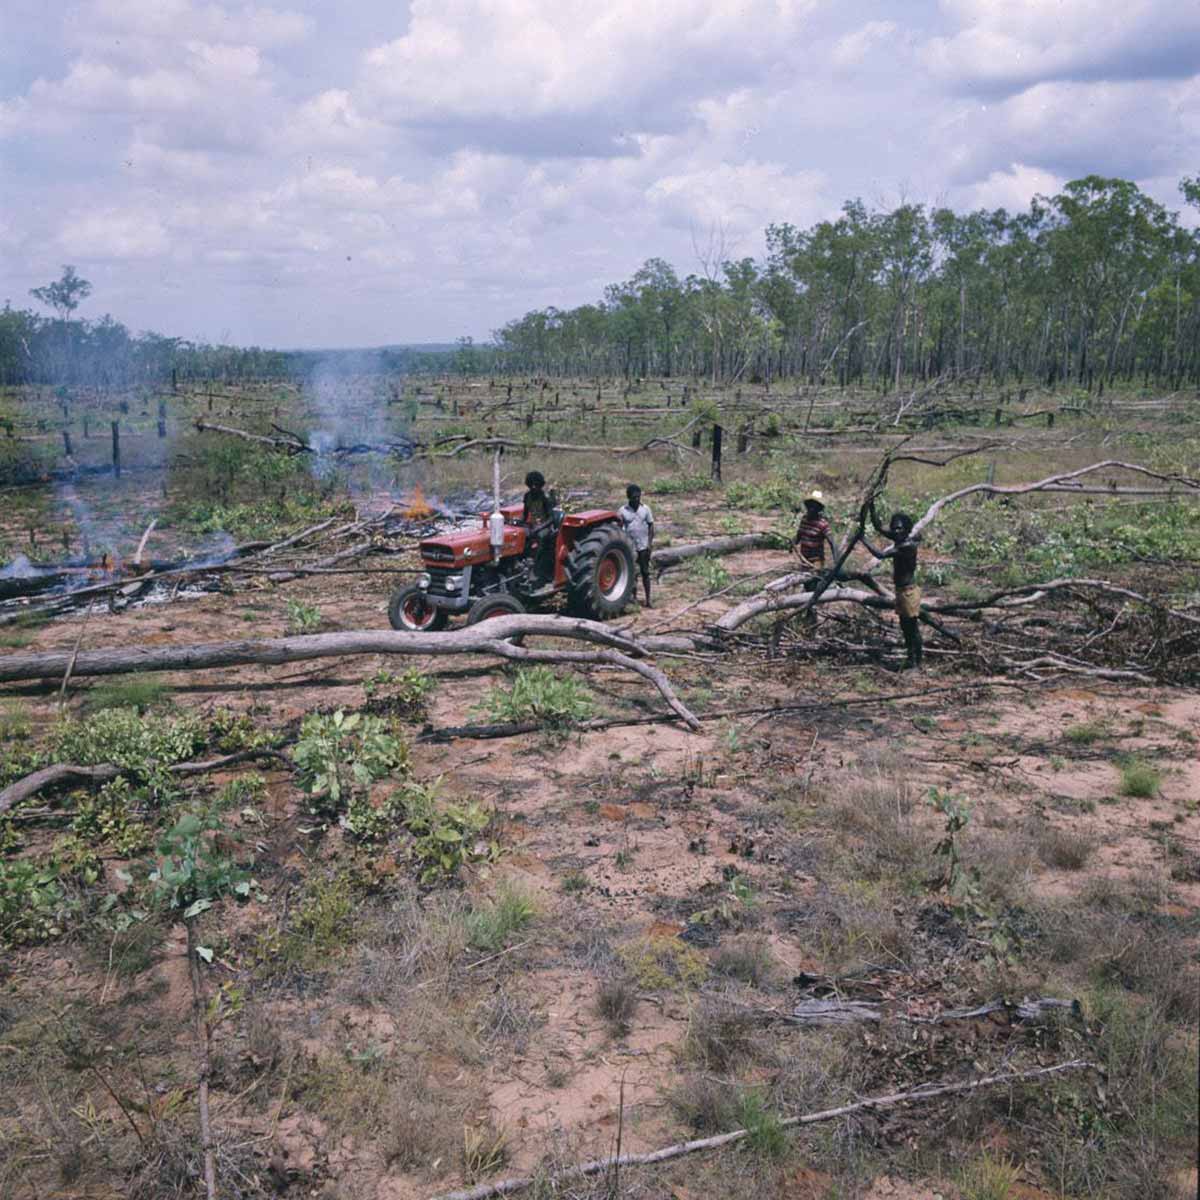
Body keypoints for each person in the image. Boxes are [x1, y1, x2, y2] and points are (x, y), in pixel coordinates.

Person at [863, 504, 923, 670]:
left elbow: (880, 555)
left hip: (909, 592)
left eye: (899, 528)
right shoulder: (899, 538)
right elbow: (878, 526)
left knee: (912, 628)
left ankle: (916, 662)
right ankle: (911, 658)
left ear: (906, 530)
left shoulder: (907, 546)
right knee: (905, 627)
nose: (896, 531)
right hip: (901, 591)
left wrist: (862, 539)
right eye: (894, 528)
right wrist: (871, 507)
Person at [619, 484, 655, 608]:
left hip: (643, 546)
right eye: (634, 497)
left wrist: (649, 544)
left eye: (638, 497)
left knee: (645, 572)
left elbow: (651, 526)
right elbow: (619, 527)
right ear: (629, 497)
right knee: (632, 574)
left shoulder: (645, 509)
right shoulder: (623, 510)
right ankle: (633, 599)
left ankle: (648, 599)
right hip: (630, 547)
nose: (637, 499)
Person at [521, 470, 557, 583]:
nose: (533, 487)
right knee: (521, 535)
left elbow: (552, 518)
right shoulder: (527, 496)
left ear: (540, 485)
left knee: (540, 536)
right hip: (533, 525)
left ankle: (536, 566)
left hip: (546, 526)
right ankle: (522, 563)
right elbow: (525, 514)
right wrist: (521, 524)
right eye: (531, 485)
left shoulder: (545, 497)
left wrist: (539, 527)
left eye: (536, 485)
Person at [792, 490, 835, 569]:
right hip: (804, 558)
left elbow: (831, 542)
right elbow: (799, 535)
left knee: (814, 575)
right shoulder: (804, 519)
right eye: (810, 506)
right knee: (804, 575)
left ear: (819, 509)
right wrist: (793, 543)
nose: (811, 509)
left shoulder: (822, 524)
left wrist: (836, 559)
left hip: (816, 560)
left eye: (815, 507)